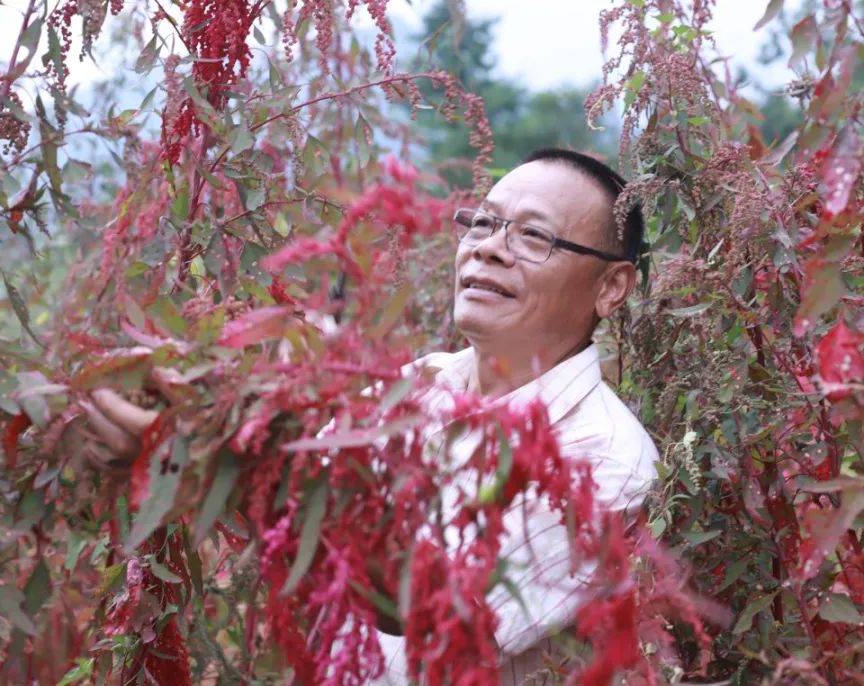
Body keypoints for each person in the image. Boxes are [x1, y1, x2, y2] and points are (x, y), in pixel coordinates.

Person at [79, 148, 659, 684]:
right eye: (482, 223)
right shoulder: (418, 387)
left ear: (611, 287)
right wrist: (194, 421)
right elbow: (299, 527)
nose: (488, 247)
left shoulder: (605, 460)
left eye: (534, 236)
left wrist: (234, 468)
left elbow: (444, 621)